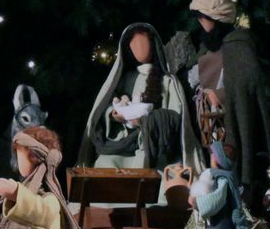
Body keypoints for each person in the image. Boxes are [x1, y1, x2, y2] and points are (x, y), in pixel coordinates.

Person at [172, 0, 270, 204]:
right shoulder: (208, 48)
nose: (200, 23)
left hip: (229, 125)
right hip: (208, 124)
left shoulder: (239, 46)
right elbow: (196, 76)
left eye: (203, 18)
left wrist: (219, 95)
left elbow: (246, 87)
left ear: (215, 20)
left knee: (229, 169)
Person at [79, 23, 203, 173]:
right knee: (104, 164)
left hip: (155, 147)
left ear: (154, 45)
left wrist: (146, 123)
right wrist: (113, 115)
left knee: (156, 171)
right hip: (124, 146)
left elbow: (176, 118)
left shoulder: (168, 81)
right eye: (135, 45)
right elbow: (107, 104)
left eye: (144, 43)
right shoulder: (125, 79)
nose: (140, 49)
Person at [0, 126, 85, 229]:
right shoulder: (25, 187)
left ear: (34, 157)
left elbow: (43, 214)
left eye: (19, 156)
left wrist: (17, 194)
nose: (16, 162)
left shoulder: (49, 196)